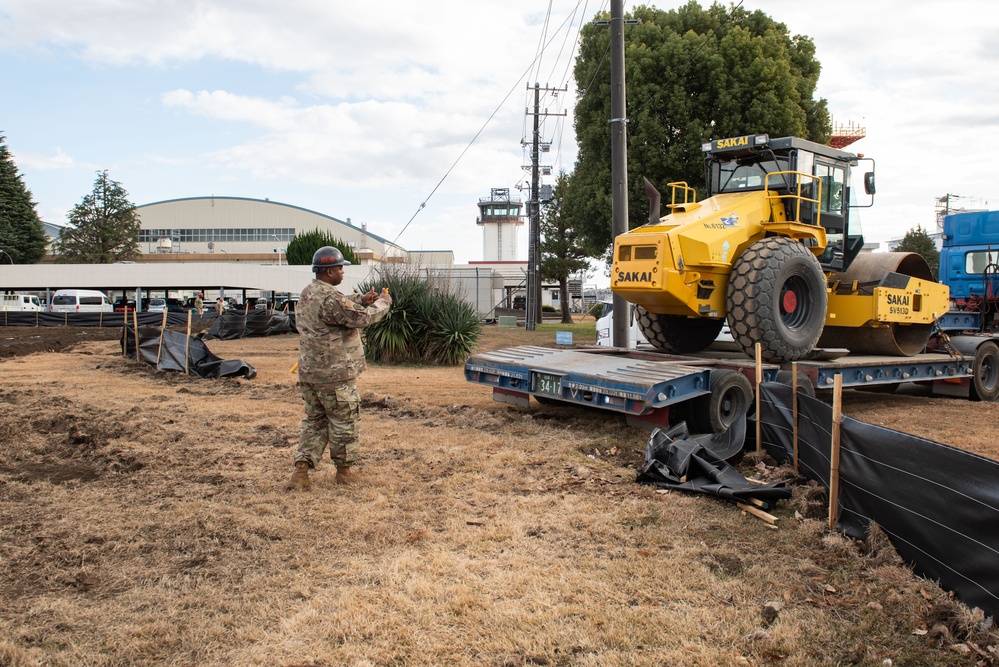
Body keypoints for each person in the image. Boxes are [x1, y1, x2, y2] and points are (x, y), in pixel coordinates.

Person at [287, 246, 392, 490]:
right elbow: (362, 318)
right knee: (345, 420)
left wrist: (361, 300)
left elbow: (340, 308)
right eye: (340, 268)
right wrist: (383, 303)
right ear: (329, 271)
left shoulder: (307, 293)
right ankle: (344, 474)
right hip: (334, 374)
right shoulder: (330, 298)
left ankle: (301, 472)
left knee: (315, 421)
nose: (343, 272)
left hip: (310, 372)